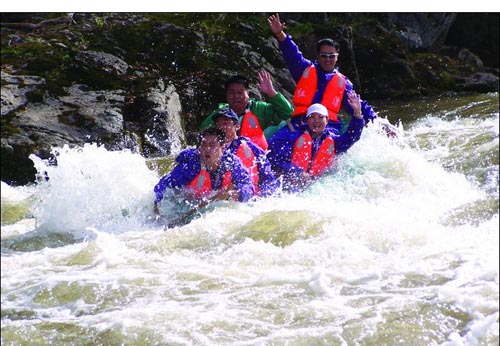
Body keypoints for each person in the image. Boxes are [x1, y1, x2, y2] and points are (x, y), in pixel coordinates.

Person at [267, 13, 397, 137]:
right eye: (324, 55)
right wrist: (279, 33)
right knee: (278, 143)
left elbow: (358, 105)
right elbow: (292, 53)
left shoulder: (343, 83)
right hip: (300, 123)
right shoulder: (304, 69)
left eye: (331, 56)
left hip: (328, 128)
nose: (327, 59)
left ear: (337, 57)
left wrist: (380, 123)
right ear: (318, 56)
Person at [153, 127, 254, 215]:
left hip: (215, 208)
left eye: (212, 145)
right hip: (185, 205)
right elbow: (164, 185)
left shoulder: (231, 162)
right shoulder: (191, 165)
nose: (207, 149)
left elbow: (248, 185)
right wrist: (157, 207)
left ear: (222, 147)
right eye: (204, 144)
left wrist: (237, 194)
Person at [267, 102, 364, 193]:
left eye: (320, 117)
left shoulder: (333, 140)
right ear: (307, 120)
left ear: (327, 121)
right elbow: (275, 159)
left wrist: (357, 114)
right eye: (312, 117)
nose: (316, 120)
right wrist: (297, 172)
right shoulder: (294, 135)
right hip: (292, 183)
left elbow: (352, 137)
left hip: (317, 186)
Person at [200, 71, 294, 151]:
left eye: (240, 92)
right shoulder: (218, 116)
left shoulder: (259, 109)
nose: (236, 96)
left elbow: (287, 112)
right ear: (227, 95)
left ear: (248, 93)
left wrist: (271, 93)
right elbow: (203, 133)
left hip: (255, 156)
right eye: (232, 92)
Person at [213, 107, 281, 197]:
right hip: (217, 197)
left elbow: (267, 175)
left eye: (225, 123)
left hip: (245, 198)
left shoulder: (251, 148)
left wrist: (265, 195)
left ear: (237, 126)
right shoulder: (209, 149)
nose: (221, 128)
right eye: (218, 124)